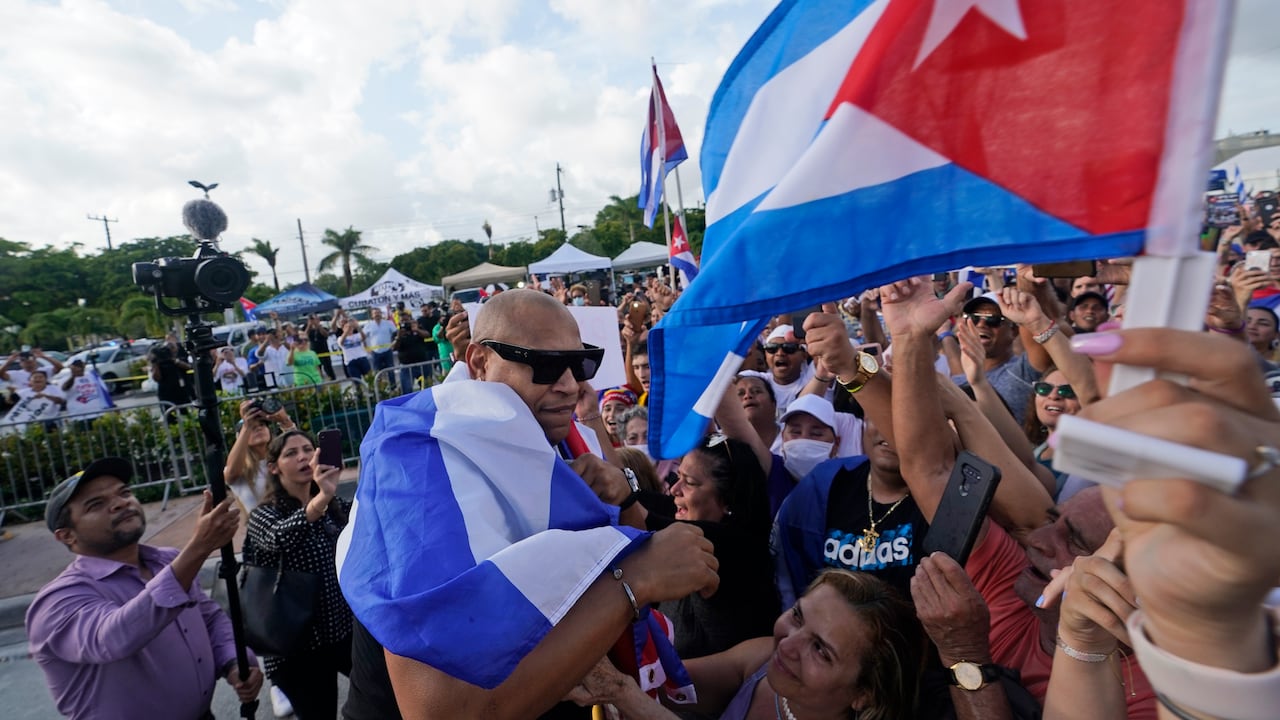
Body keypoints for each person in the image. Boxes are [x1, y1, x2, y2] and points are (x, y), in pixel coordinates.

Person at [336, 289, 719, 720]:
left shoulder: (551, 445)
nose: (570, 385)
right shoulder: (418, 469)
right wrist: (633, 581)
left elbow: (606, 562)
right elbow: (440, 710)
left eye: (580, 364)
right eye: (546, 364)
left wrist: (626, 501)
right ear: (480, 362)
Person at [25, 457, 263, 719]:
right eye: (96, 504)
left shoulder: (167, 561)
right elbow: (114, 637)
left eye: (124, 492)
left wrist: (233, 662)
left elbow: (209, 619)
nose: (120, 503)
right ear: (67, 535)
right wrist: (198, 548)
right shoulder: (56, 601)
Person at [569, 570, 927, 720]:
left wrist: (623, 693)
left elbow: (633, 692)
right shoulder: (763, 660)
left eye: (821, 650)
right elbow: (666, 685)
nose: (787, 645)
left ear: (864, 694)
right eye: (798, 616)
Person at [244, 430, 352, 719]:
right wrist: (322, 498)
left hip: (342, 631)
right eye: (291, 453)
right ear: (273, 467)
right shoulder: (264, 515)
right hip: (297, 647)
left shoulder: (332, 506)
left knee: (387, 699)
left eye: (307, 449)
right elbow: (278, 538)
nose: (303, 457)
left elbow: (363, 519)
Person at [149, 334, 194, 407]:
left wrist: (174, 360)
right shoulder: (158, 362)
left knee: (184, 410)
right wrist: (155, 364)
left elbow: (188, 367)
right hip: (166, 392)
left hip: (181, 390)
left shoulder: (179, 356)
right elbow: (157, 378)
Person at [362, 308, 397, 380]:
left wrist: (394, 343)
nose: (377, 314)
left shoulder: (388, 323)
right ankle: (379, 387)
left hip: (387, 350)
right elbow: (363, 338)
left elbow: (395, 334)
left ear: (381, 314)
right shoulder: (368, 325)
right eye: (375, 313)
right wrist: (366, 348)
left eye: (378, 313)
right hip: (375, 352)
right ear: (372, 315)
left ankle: (393, 386)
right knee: (377, 373)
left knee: (391, 371)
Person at [306, 314, 337, 381]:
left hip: (324, 351)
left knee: (328, 368)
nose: (314, 321)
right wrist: (309, 325)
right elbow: (305, 336)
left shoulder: (323, 327)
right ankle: (320, 382)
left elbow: (326, 335)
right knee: (316, 369)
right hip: (314, 352)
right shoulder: (308, 329)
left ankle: (333, 381)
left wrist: (318, 326)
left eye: (315, 319)